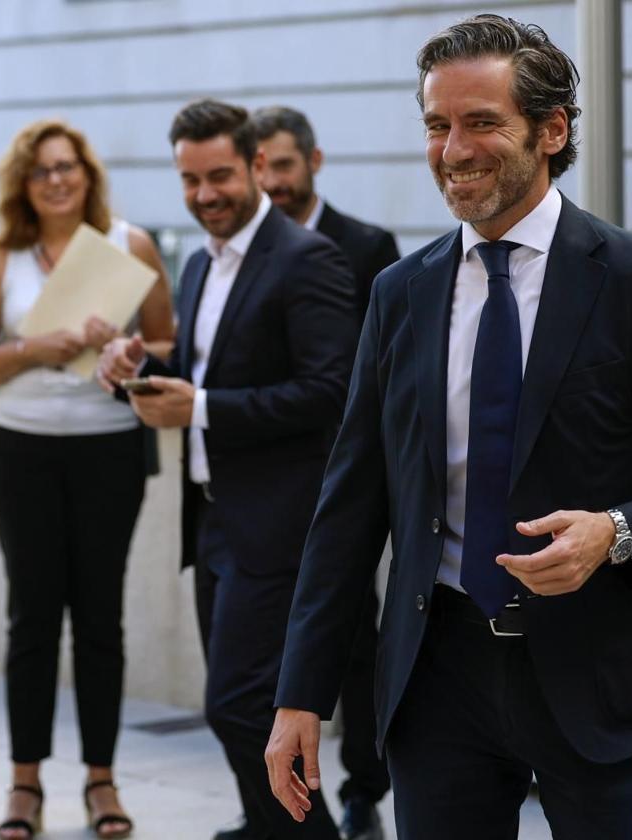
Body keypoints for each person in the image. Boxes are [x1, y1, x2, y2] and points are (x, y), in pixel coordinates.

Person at [266, 14, 632, 839]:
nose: (453, 150)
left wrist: (614, 532)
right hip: (438, 677)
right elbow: (351, 501)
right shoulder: (400, 292)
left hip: (601, 672)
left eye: (482, 123)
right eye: (438, 125)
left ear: (551, 131)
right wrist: (301, 691)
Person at [98, 99, 361, 840]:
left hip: (279, 524)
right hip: (213, 518)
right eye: (190, 180)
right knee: (247, 705)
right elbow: (199, 369)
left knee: (242, 704)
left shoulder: (309, 259)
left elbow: (329, 392)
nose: (205, 193)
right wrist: (139, 366)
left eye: (219, 176)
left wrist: (203, 406)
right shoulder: (197, 261)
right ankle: (265, 821)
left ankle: (310, 834)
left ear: (255, 167)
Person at [0, 118, 174, 840]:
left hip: (109, 449)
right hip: (21, 450)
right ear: (24, 182)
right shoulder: (2, 255)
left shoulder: (129, 244)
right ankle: (25, 784)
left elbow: (170, 344)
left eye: (67, 167)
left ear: (88, 175)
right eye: (41, 170)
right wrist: (37, 346)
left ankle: (101, 779)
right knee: (32, 617)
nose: (55, 180)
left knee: (100, 616)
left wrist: (128, 347)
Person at [251, 104, 398, 840]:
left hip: (346, 482)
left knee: (356, 644)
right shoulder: (241, 252)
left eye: (284, 164)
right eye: (262, 166)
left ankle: (365, 787)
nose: (272, 180)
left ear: (314, 161)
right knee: (267, 657)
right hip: (264, 484)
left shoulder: (369, 247)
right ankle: (279, 800)